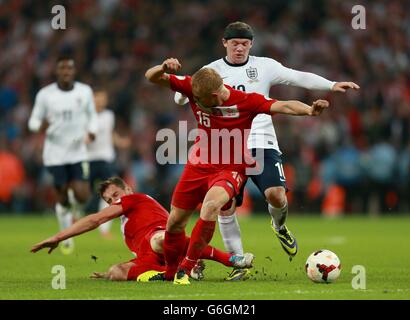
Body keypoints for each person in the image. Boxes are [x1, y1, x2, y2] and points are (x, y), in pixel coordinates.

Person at [175, 21, 360, 280]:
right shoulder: (210, 71)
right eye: (235, 43)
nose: (239, 48)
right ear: (224, 43)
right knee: (224, 207)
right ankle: (239, 265)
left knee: (276, 195)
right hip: (227, 146)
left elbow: (298, 76)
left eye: (244, 43)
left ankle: (279, 225)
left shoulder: (265, 66)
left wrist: (331, 85)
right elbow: (183, 94)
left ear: (251, 44)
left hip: (262, 141)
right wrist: (183, 94)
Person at [145, 57, 329, 285]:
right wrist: (162, 67)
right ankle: (171, 273)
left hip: (231, 167)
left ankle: (187, 268)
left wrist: (310, 110)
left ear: (214, 96)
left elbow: (283, 105)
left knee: (212, 206)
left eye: (200, 101)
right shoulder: (195, 86)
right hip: (198, 165)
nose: (196, 103)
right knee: (174, 222)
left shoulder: (245, 101)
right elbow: (151, 77)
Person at [30, 177, 254, 282]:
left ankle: (231, 259)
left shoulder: (135, 199)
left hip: (162, 242)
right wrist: (112, 272)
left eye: (115, 195)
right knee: (116, 273)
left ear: (128, 188)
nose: (113, 202)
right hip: (152, 256)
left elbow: (95, 220)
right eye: (109, 200)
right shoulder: (126, 220)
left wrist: (59, 236)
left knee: (160, 238)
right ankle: (176, 271)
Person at [28, 55, 98, 254]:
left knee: (82, 195)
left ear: (74, 71)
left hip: (77, 152)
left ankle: (75, 205)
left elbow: (92, 115)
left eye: (69, 68)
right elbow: (33, 121)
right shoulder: (45, 95)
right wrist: (39, 126)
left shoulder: (84, 91)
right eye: (62, 68)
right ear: (57, 71)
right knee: (62, 196)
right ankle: (66, 236)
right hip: (55, 153)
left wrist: (92, 131)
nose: (66, 72)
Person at [86, 88, 131, 238]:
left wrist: (121, 142)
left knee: (111, 192)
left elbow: (110, 134)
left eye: (102, 98)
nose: (100, 101)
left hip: (106, 159)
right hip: (89, 159)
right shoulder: (86, 117)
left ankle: (104, 230)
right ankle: (75, 213)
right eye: (97, 98)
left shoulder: (109, 116)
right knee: (83, 194)